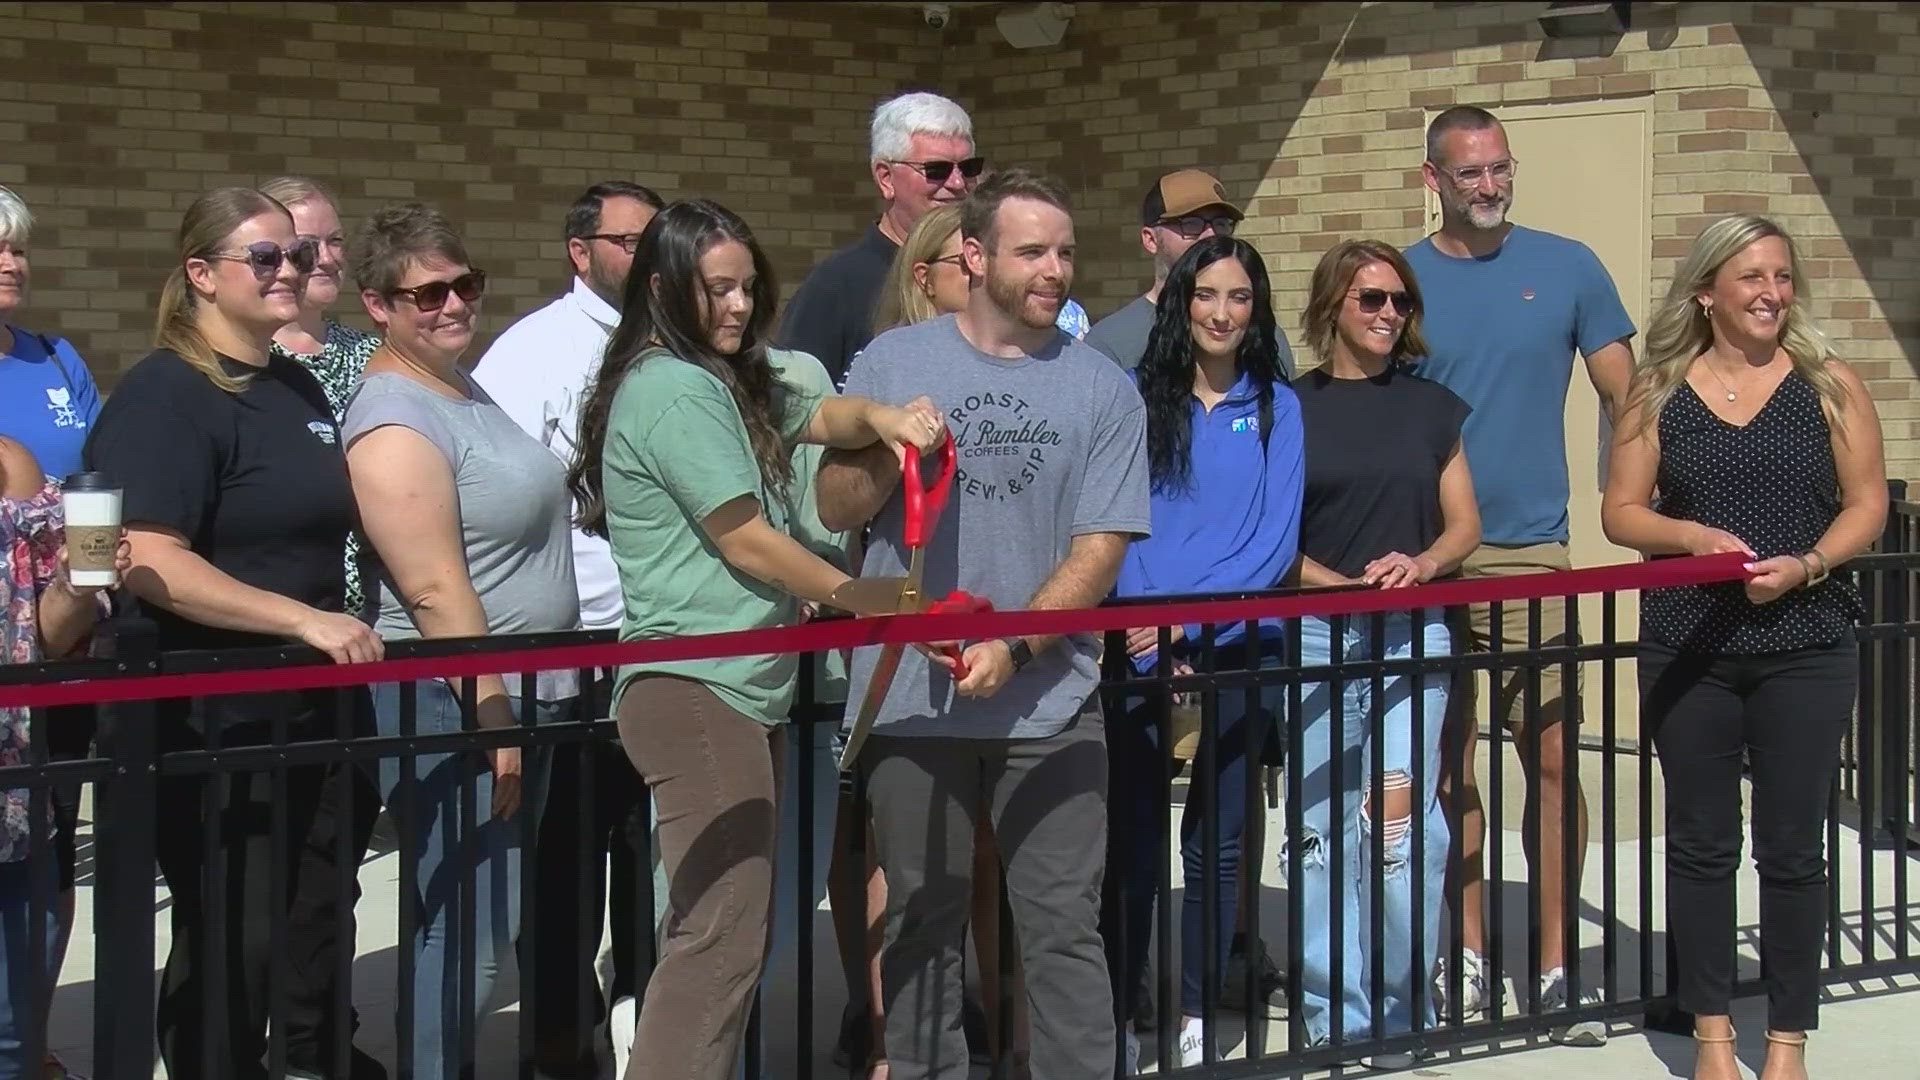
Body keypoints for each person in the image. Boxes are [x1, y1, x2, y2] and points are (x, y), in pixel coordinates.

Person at [565, 198, 945, 1080]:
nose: (739, 307)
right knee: (721, 933)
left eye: (748, 288)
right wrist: (859, 595)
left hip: (742, 689)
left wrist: (884, 421)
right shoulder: (670, 385)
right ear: (662, 290)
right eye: (718, 291)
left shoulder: (734, 373)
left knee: (735, 929)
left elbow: (826, 415)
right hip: (692, 687)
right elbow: (746, 537)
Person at [817, 167, 1151, 1080]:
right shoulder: (894, 364)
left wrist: (1017, 644)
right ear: (973, 254)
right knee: (924, 922)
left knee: (1062, 929)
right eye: (1032, 251)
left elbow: (1101, 548)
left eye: (1066, 252)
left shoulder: (1102, 389)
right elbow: (836, 505)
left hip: (1051, 704)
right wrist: (888, 454)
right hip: (913, 704)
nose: (1056, 270)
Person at [82, 186, 386, 1080]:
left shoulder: (292, 382)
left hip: (320, 709)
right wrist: (301, 619)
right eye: (265, 258)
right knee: (236, 936)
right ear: (202, 274)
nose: (289, 270)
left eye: (296, 255)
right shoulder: (165, 395)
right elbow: (146, 557)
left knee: (317, 919)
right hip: (219, 720)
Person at [1601, 214, 1885, 1080]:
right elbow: (1621, 512)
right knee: (1700, 844)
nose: (1770, 294)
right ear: (1707, 292)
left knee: (1795, 848)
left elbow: (1866, 504)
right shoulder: (1658, 391)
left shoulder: (1830, 384)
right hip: (1691, 648)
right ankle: (1716, 1036)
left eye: (1782, 278)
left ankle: (1788, 1041)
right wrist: (1689, 541)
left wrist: (1806, 564)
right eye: (1752, 278)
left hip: (1808, 643)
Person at [1404, 105, 1635, 1042]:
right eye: (1471, 174)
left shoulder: (1569, 266)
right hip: (1423, 559)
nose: (1491, 186)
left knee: (1546, 758)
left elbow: (1629, 395)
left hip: (1536, 553)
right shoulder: (1399, 285)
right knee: (1445, 761)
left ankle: (1551, 967)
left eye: (1501, 168)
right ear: (1434, 180)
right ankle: (1464, 960)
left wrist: (1634, 517)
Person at [339, 202, 579, 1079]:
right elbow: (436, 589)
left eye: (464, 284)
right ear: (379, 305)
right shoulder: (396, 416)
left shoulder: (460, 387)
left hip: (525, 687)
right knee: (469, 928)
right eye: (426, 293)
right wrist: (493, 713)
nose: (452, 304)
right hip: (455, 695)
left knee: (487, 919)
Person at [1089, 168, 1296, 1024]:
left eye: (1238, 296)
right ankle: (1126, 1007)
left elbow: (1272, 541)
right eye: (1206, 294)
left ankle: (1201, 1009)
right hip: (1139, 645)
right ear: (1180, 301)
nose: (1221, 311)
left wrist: (1188, 621)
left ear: (1256, 308)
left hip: (1239, 644)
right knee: (1132, 844)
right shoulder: (1138, 400)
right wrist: (1145, 620)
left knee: (1218, 845)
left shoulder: (1280, 403)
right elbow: (1115, 520)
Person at [471, 179, 665, 1080]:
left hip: (665, 641)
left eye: (659, 238)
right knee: (565, 870)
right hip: (574, 651)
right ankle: (558, 1044)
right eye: (632, 240)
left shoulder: (678, 344)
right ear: (581, 252)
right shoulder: (533, 353)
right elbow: (507, 504)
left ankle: (648, 1024)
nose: (650, 254)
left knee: (650, 863)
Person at [835, 201, 1022, 1078]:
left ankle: (989, 1020)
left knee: (985, 854)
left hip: (998, 652)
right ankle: (889, 1041)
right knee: (902, 864)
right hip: (901, 653)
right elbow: (832, 507)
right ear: (927, 274)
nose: (983, 274)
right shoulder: (882, 376)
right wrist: (884, 435)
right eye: (964, 261)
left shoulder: (1023, 363)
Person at [1292, 239, 1477, 1068]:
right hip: (1320, 632)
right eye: (1371, 299)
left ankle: (1406, 1007)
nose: (1388, 315)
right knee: (1323, 828)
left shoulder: (1432, 406)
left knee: (1405, 827)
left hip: (1412, 631)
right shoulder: (1288, 406)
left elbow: (1465, 523)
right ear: (1334, 303)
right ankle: (1336, 1009)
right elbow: (1267, 538)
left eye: (1400, 302)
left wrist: (1426, 564)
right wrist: (1335, 587)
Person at [0, 184, 104, 1080]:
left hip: (61, 644)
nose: (11, 263)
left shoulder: (53, 359)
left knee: (42, 860)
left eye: (17, 248)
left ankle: (26, 1039)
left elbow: (98, 487)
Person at [0, 437, 124, 1080]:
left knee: (10, 1036)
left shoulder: (11, 466)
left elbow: (39, 638)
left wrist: (78, 585)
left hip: (13, 782)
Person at [779, 91, 980, 387]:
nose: (957, 183)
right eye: (936, 170)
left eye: (968, 168)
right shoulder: (835, 287)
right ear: (885, 178)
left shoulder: (988, 275)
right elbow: (795, 407)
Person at [260, 176, 381, 615]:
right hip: (290, 611)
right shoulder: (250, 361)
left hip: (382, 614)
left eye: (336, 242)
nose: (328, 259)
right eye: (310, 245)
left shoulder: (374, 354)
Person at [1086, 169, 1296, 378]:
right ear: (1151, 240)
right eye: (1191, 223)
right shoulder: (1112, 342)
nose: (1211, 234)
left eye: (1221, 223)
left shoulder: (1262, 335)